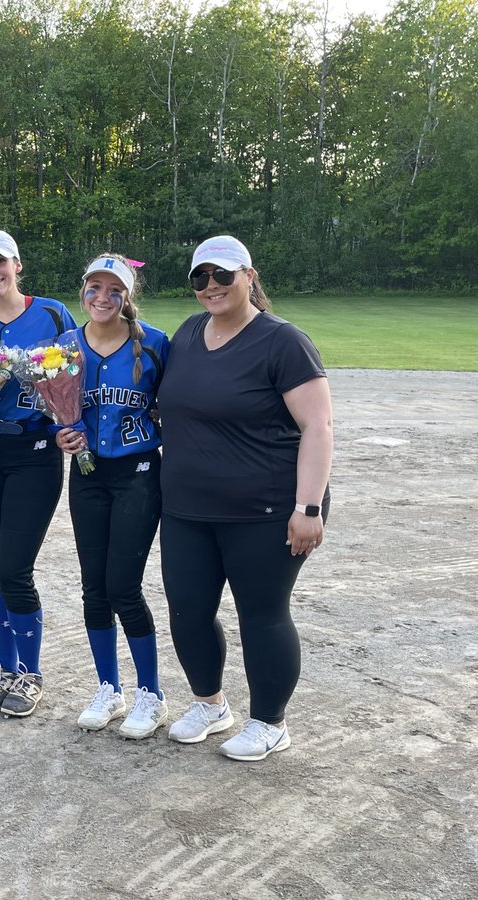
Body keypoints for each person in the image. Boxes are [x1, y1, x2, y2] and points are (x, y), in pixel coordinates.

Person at [157, 235, 332, 761]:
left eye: (223, 276)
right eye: (200, 278)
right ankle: (211, 704)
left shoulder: (283, 342)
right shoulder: (188, 333)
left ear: (249, 277)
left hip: (266, 509)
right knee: (188, 610)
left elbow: (318, 427)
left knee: (263, 614)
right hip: (187, 507)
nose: (211, 286)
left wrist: (309, 508)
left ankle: (269, 722)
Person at [0, 230, 76, 717]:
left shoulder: (50, 313)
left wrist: (73, 426)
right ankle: (5, 670)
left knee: (14, 569)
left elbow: (75, 371)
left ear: (17, 265)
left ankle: (30, 674)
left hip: (33, 451)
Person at [54, 254, 171, 738]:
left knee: (123, 585)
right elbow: (52, 408)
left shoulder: (156, 344)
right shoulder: (63, 346)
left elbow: (179, 407)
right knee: (93, 587)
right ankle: (109, 688)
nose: (103, 298)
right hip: (87, 474)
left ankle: (151, 693)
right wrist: (60, 431)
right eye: (94, 288)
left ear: (128, 296)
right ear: (83, 291)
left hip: (138, 472)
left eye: (114, 290)